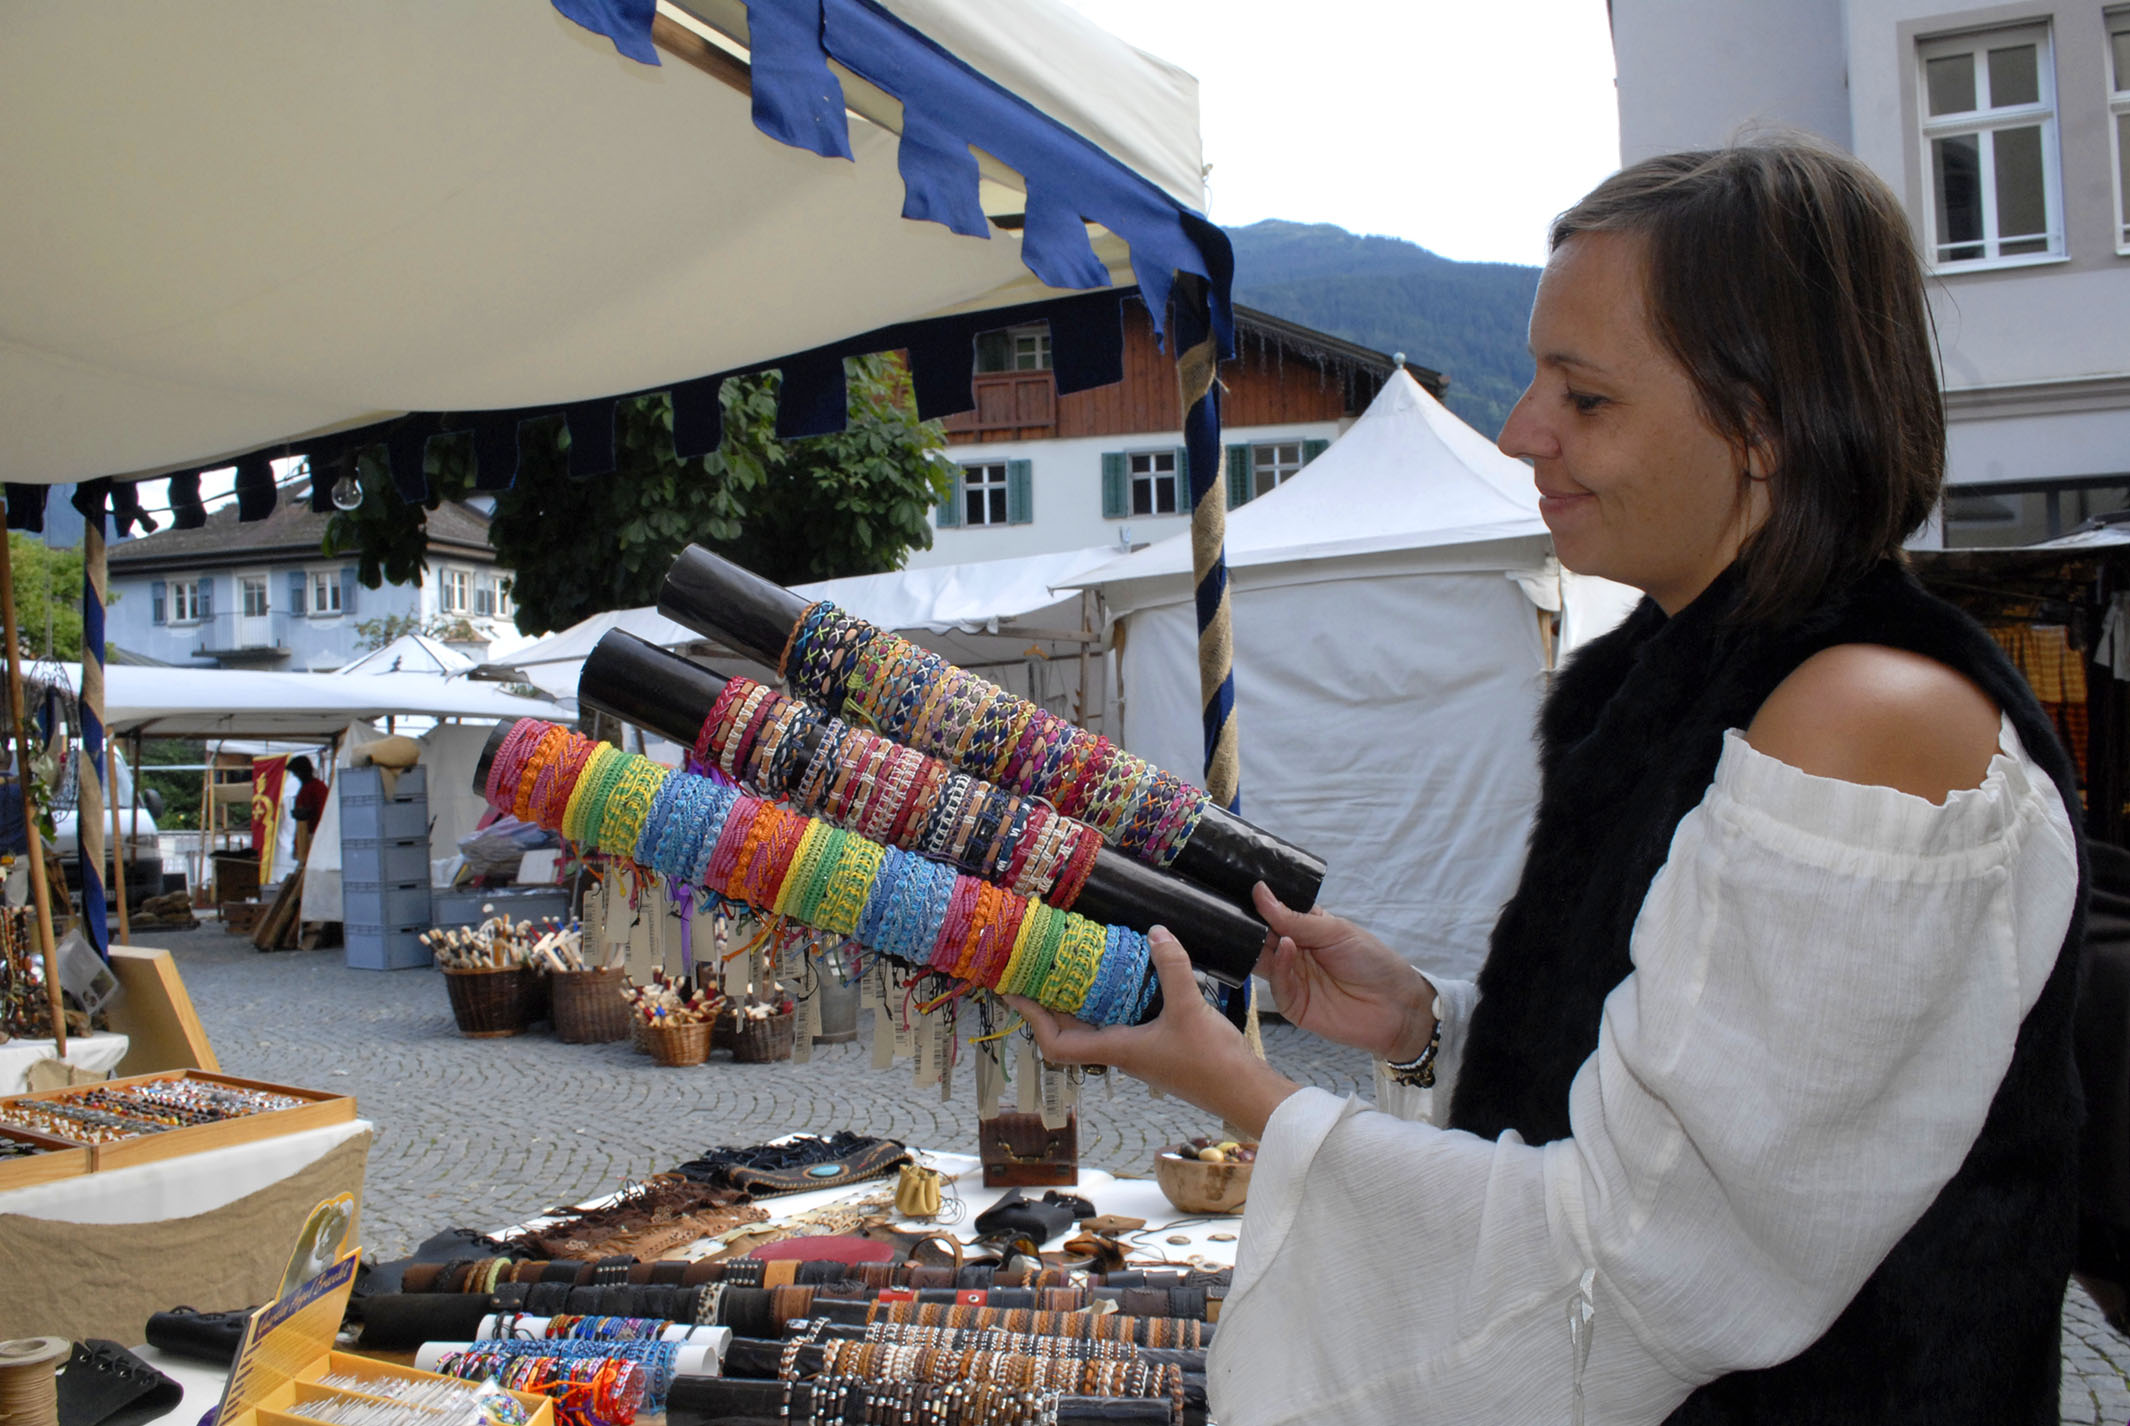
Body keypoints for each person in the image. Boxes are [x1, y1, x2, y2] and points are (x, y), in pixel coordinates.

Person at [1006, 141, 2086, 1424]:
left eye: (1586, 397)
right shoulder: (1675, 672)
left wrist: (1243, 1088)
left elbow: (1641, 1267)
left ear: (1762, 426)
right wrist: (1429, 1023)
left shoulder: (1862, 720)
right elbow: (1688, 1080)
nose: (1523, 431)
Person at [287, 756, 328, 861]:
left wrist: (308, 812)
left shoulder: (318, 787)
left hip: (316, 836)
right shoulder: (304, 788)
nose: (296, 776)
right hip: (305, 834)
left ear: (302, 772)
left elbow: (325, 815)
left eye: (296, 773)